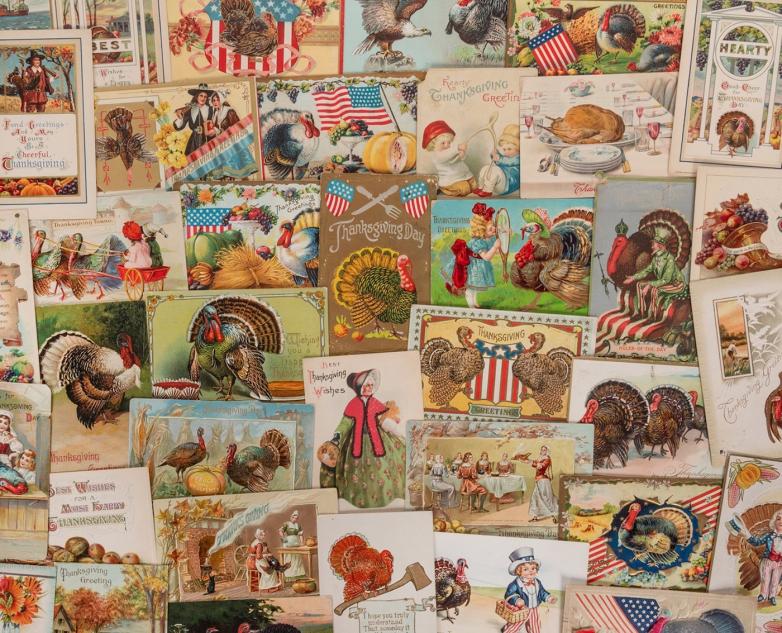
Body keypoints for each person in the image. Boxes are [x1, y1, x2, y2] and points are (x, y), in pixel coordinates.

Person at [316, 369, 405, 509]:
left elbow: (383, 418)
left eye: (371, 385)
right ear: (359, 387)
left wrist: (391, 425)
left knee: (382, 469)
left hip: (377, 440)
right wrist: (337, 436)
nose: (369, 388)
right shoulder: (353, 404)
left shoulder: (375, 402)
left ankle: (381, 496)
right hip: (355, 442)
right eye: (366, 385)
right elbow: (345, 423)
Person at [444, 203, 501, 308]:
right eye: (490, 228)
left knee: (473, 288)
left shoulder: (486, 239)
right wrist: (495, 247)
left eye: (494, 226)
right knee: (470, 288)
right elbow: (486, 257)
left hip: (476, 264)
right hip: (470, 266)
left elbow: (490, 251)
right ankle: (471, 307)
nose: (494, 229)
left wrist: (496, 248)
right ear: (481, 231)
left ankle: (474, 303)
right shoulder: (478, 242)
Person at [623, 226, 686, 320]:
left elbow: (666, 280)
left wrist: (650, 284)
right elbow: (646, 271)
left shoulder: (669, 259)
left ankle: (653, 316)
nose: (652, 247)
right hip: (663, 283)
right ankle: (642, 313)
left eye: (653, 245)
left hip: (676, 284)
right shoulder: (655, 258)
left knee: (654, 290)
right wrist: (633, 278)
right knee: (639, 285)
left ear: (660, 246)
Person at [734, 509, 782, 606]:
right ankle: (763, 595)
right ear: (774, 522)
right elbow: (757, 542)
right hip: (767, 560)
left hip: (779, 563)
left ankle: (772, 596)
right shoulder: (769, 536)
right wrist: (747, 534)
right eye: (778, 519)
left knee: (775, 580)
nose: (781, 521)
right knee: (765, 578)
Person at [503, 546, 556, 633]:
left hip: (534, 608)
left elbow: (542, 592)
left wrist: (549, 598)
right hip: (521, 609)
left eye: (533, 568)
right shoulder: (515, 584)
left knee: (534, 624)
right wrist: (516, 600)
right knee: (517, 623)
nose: (531, 571)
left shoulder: (537, 582)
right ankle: (508, 630)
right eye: (526, 569)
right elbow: (509, 594)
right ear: (518, 571)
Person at [422, 120, 477, 197]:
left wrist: (462, 154)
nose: (447, 145)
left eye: (449, 142)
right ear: (433, 145)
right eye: (443, 143)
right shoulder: (437, 155)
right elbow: (446, 155)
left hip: (464, 174)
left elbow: (459, 159)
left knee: (474, 186)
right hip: (451, 180)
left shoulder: (451, 151)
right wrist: (458, 147)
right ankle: (445, 189)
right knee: (465, 189)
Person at [475, 124, 521, 197]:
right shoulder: (505, 157)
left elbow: (508, 162)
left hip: (508, 184)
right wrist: (494, 154)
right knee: (486, 168)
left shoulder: (518, 158)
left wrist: (498, 158)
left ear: (518, 149)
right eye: (504, 149)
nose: (506, 152)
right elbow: (501, 160)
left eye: (509, 149)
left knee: (495, 170)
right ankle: (481, 187)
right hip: (498, 184)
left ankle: (487, 190)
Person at [174, 83, 215, 155]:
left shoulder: (211, 109)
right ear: (197, 96)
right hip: (194, 141)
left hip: (207, 140)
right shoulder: (190, 109)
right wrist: (180, 118)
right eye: (201, 96)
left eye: (205, 96)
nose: (203, 98)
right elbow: (179, 127)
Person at [526, 446, 558, 522]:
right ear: (540, 450)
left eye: (545, 450)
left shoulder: (547, 459)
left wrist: (531, 462)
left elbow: (541, 467)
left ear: (547, 451)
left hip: (544, 481)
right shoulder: (540, 458)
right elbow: (535, 463)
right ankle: (535, 517)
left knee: (546, 498)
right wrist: (526, 460)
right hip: (539, 480)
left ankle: (554, 516)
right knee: (535, 498)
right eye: (542, 450)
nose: (543, 451)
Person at [279, 510, 306, 580]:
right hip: (288, 545)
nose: (295, 519)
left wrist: (302, 543)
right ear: (291, 517)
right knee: (289, 559)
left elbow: (301, 535)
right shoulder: (286, 524)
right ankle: (289, 577)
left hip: (296, 544)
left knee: (297, 560)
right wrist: (284, 539)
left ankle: (297, 577)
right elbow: (280, 531)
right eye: (293, 517)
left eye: (296, 518)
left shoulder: (298, 525)